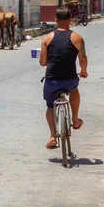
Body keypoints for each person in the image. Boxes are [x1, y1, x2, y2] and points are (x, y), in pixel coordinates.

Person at [39, 8, 88, 149]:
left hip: (51, 81)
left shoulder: (47, 38)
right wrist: (83, 71)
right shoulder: (77, 38)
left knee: (50, 106)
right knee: (74, 91)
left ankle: (52, 136)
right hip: (70, 80)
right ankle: (75, 119)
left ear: (55, 20)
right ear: (70, 19)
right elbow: (83, 59)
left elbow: (43, 62)